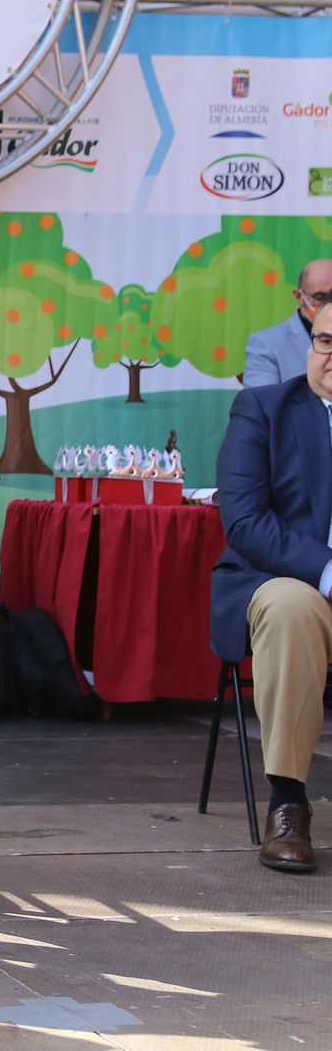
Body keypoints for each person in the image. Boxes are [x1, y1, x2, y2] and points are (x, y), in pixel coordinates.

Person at [212, 300, 332, 874]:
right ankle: (288, 801)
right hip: (279, 583)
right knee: (293, 606)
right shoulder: (264, 409)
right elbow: (244, 521)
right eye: (326, 342)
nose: (330, 357)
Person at [243, 259, 332, 388]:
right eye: (320, 297)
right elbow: (263, 403)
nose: (328, 304)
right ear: (299, 296)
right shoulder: (267, 344)